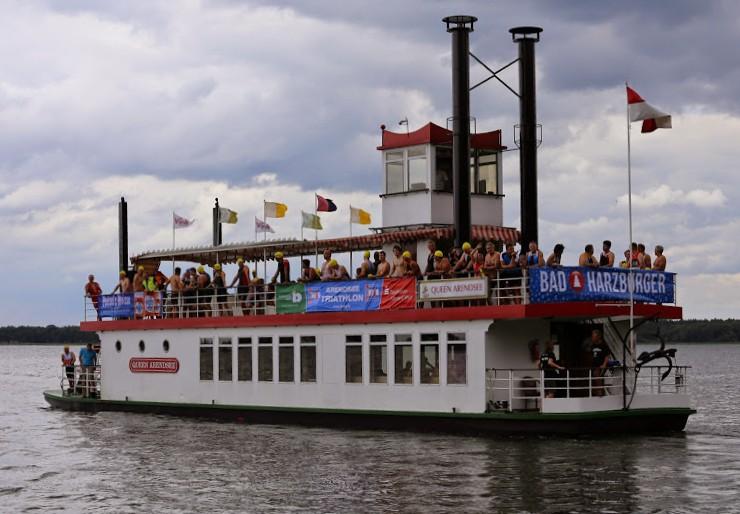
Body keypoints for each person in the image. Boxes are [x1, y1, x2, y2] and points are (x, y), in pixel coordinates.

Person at [590, 329, 611, 397]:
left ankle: (600, 390)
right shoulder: (593, 345)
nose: (592, 338)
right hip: (594, 365)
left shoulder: (603, 345)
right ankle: (595, 391)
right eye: (592, 336)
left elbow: (607, 355)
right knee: (593, 377)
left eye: (594, 337)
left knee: (596, 374)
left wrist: (604, 364)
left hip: (601, 365)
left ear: (598, 337)